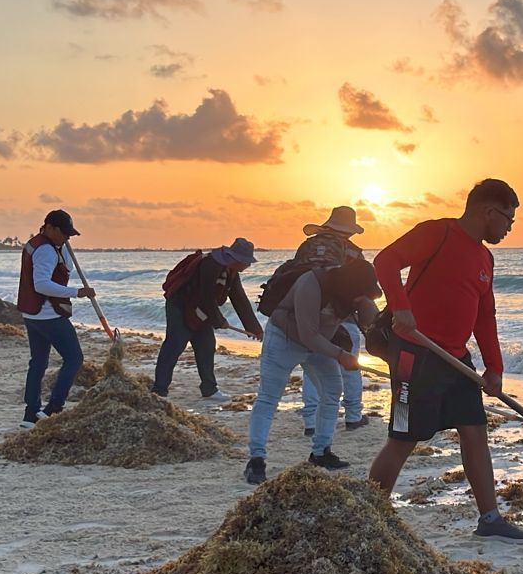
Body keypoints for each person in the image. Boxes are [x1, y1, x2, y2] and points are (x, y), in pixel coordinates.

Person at [368, 178, 523, 543]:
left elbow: (484, 316)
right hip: (415, 352)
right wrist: (401, 307)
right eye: (508, 219)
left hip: (457, 358)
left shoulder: (484, 257)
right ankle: (369, 513)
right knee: (403, 438)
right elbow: (385, 261)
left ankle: (490, 518)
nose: (508, 228)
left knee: (475, 431)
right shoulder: (437, 233)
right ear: (488, 211)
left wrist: (494, 368)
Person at [245, 259, 380, 485]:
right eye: (360, 293)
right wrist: (341, 355)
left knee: (332, 391)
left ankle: (321, 452)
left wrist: (382, 329)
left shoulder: (356, 292)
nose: (361, 299)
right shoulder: (312, 283)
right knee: (269, 397)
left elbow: (371, 322)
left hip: (321, 343)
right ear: (350, 285)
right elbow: (308, 335)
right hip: (285, 339)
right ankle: (256, 459)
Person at [152, 238, 265, 401]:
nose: (248, 266)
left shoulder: (232, 271)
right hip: (180, 305)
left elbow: (239, 299)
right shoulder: (211, 264)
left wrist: (254, 329)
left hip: (202, 310)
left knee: (206, 346)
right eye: (246, 262)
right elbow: (206, 296)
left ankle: (209, 389)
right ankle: (159, 390)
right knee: (175, 344)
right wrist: (218, 320)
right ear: (236, 259)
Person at [295, 206, 371, 433]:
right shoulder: (353, 252)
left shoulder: (307, 247)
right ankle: (353, 416)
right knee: (350, 367)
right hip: (343, 318)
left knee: (312, 368)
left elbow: (293, 277)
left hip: (309, 315)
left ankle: (310, 421)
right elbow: (363, 288)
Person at [18, 210, 94, 427]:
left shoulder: (42, 245)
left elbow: (65, 267)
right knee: (74, 358)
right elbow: (41, 284)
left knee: (38, 362)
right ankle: (53, 409)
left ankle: (31, 414)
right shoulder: (46, 251)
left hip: (32, 314)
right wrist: (77, 292)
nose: (67, 238)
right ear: (50, 228)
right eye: (64, 233)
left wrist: (63, 249)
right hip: (47, 314)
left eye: (69, 235)